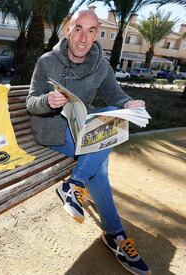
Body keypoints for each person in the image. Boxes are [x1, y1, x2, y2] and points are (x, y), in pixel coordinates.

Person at [26, 10, 150, 275]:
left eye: (91, 31)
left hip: (82, 126)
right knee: (99, 164)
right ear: (68, 30)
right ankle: (115, 235)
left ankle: (75, 185)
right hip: (52, 129)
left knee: (112, 124)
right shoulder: (47, 61)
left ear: (97, 35)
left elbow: (114, 93)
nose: (83, 38)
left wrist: (128, 103)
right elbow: (31, 102)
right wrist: (47, 101)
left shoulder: (101, 65)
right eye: (78, 29)